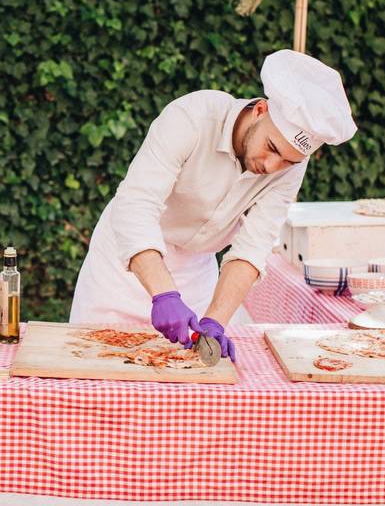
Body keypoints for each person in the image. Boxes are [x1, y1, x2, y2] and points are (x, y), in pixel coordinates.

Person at [69, 50, 358, 361]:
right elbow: (136, 204)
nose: (272, 166)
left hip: (195, 273)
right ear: (260, 110)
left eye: (288, 160)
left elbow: (252, 246)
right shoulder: (192, 117)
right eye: (271, 147)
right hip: (123, 265)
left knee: (185, 383)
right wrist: (164, 294)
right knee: (98, 366)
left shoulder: (290, 167)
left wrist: (216, 320)